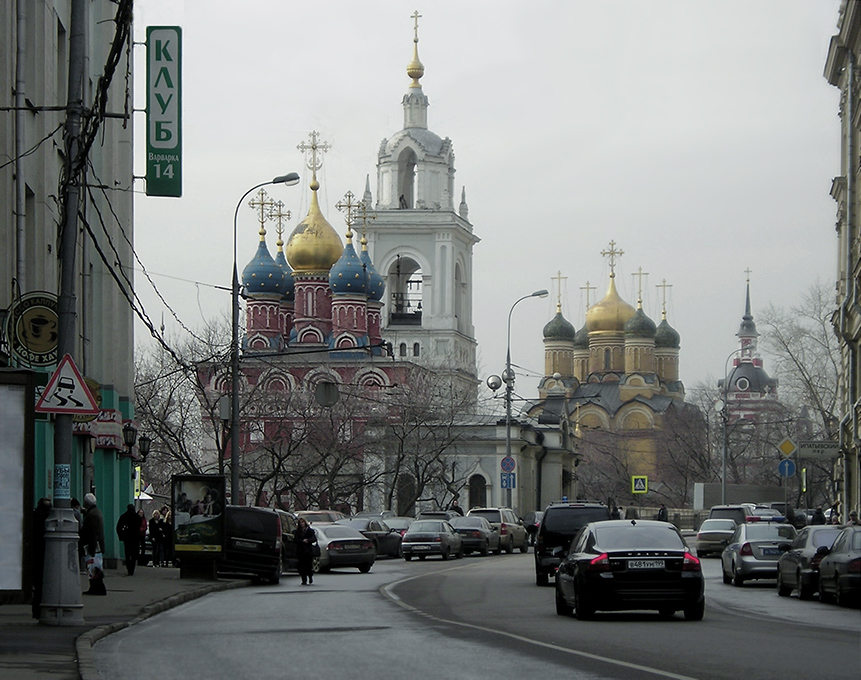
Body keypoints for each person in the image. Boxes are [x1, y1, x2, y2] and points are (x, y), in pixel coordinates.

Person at [80, 493, 106, 595]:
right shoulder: (96, 512)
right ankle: (97, 588)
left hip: (94, 546)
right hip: (98, 545)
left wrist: (91, 547)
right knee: (96, 567)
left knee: (93, 567)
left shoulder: (92, 515)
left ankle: (97, 588)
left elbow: (92, 532)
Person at [31, 498, 52, 618]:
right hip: (47, 553)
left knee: (38, 584)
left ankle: (36, 610)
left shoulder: (34, 517)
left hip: (35, 553)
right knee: (45, 583)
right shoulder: (49, 519)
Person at [116, 504, 140, 575]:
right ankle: (132, 568)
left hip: (127, 538)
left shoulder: (124, 516)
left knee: (127, 553)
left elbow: (118, 527)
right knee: (134, 553)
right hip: (135, 538)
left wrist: (121, 536)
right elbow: (139, 526)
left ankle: (128, 567)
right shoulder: (137, 517)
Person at [293, 517, 318, 586]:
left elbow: (314, 539)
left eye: (303, 522)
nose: (302, 524)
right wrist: (302, 541)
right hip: (300, 551)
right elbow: (295, 540)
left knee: (308, 565)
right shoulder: (297, 531)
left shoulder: (310, 531)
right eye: (300, 523)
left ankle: (310, 576)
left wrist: (308, 540)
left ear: (305, 523)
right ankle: (304, 579)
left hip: (308, 551)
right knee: (301, 566)